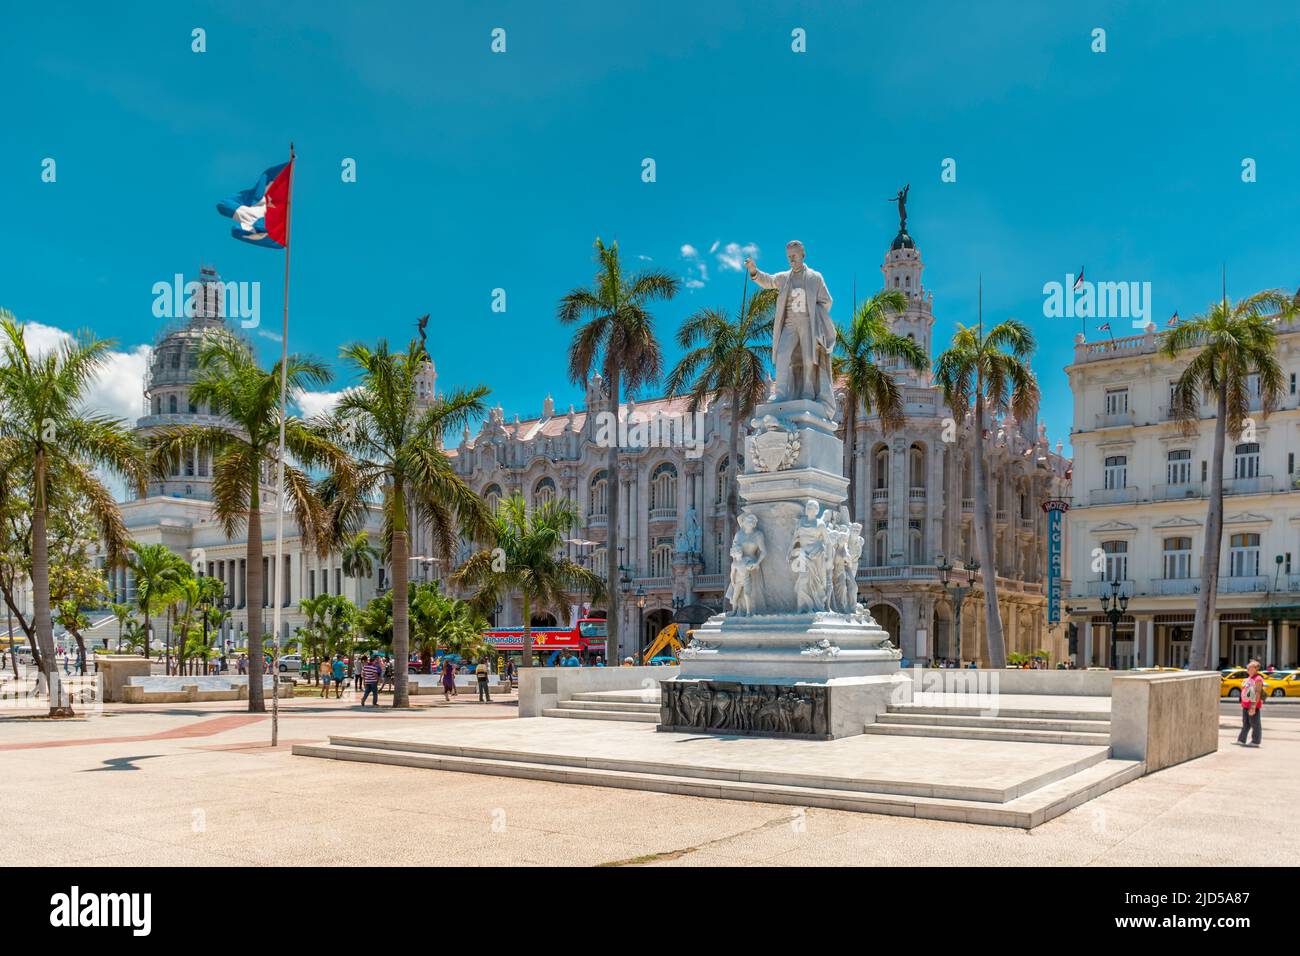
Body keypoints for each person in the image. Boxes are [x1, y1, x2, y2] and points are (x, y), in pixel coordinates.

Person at [1237, 659, 1265, 747]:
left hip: (1252, 705)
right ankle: (1241, 740)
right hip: (1245, 705)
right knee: (1245, 723)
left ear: (1255, 669)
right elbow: (1246, 691)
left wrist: (1253, 706)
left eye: (1250, 667)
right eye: (1248, 666)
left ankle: (1256, 741)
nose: (1248, 668)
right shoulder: (1249, 678)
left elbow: (1257, 693)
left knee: (1255, 724)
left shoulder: (1258, 679)